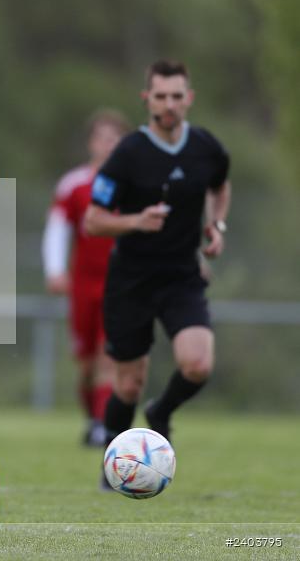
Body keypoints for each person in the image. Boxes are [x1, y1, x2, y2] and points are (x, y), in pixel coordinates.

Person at [84, 60, 231, 487]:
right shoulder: (128, 154)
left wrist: (217, 225)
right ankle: (112, 464)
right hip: (131, 280)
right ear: (148, 99)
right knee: (128, 385)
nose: (169, 104)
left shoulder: (206, 147)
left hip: (183, 276)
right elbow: (93, 220)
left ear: (189, 99)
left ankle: (161, 411)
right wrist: (135, 221)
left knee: (198, 364)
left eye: (177, 96)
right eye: (161, 96)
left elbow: (221, 184)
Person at [42, 110, 129, 447]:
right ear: (92, 143)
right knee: (87, 362)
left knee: (110, 356)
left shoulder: (133, 185)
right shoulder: (74, 185)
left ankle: (105, 428)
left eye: (115, 139)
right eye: (103, 138)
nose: (108, 145)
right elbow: (57, 230)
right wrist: (55, 270)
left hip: (121, 285)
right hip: (83, 284)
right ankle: (93, 418)